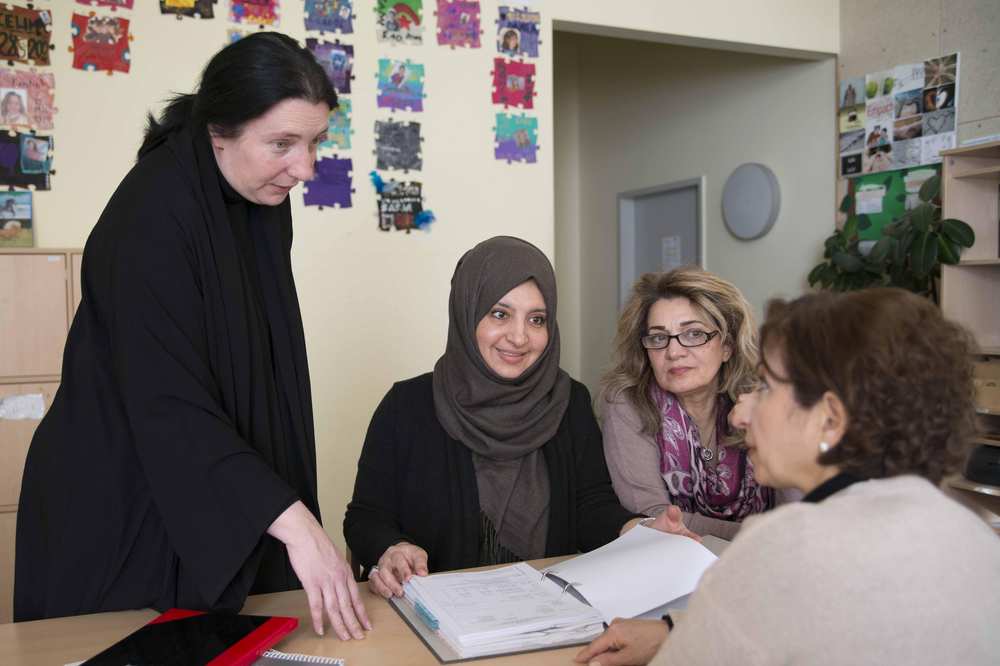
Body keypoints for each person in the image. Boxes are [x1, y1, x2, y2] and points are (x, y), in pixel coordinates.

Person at [15, 33, 372, 640]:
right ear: (218, 132)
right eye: (282, 144)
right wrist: (292, 521)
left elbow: (263, 373)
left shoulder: (256, 197)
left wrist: (290, 517)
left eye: (315, 143)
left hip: (200, 482)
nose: (305, 168)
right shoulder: (148, 220)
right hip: (117, 510)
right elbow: (168, 402)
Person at [576, 288, 1000, 666]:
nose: (741, 413)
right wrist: (674, 629)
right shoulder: (975, 532)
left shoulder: (783, 547)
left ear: (830, 419)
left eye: (764, 388)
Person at [344, 236, 695, 599]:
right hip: (434, 612)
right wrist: (391, 547)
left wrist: (639, 530)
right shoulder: (407, 406)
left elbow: (591, 508)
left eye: (537, 319)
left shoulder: (569, 400)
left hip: (543, 611)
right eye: (499, 314)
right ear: (467, 313)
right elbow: (366, 516)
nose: (519, 336)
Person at [600, 268, 779, 540]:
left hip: (768, 565)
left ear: (727, 346)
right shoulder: (628, 402)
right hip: (671, 565)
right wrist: (763, 535)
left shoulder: (764, 399)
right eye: (659, 338)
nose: (674, 352)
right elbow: (653, 517)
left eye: (694, 334)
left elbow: (798, 507)